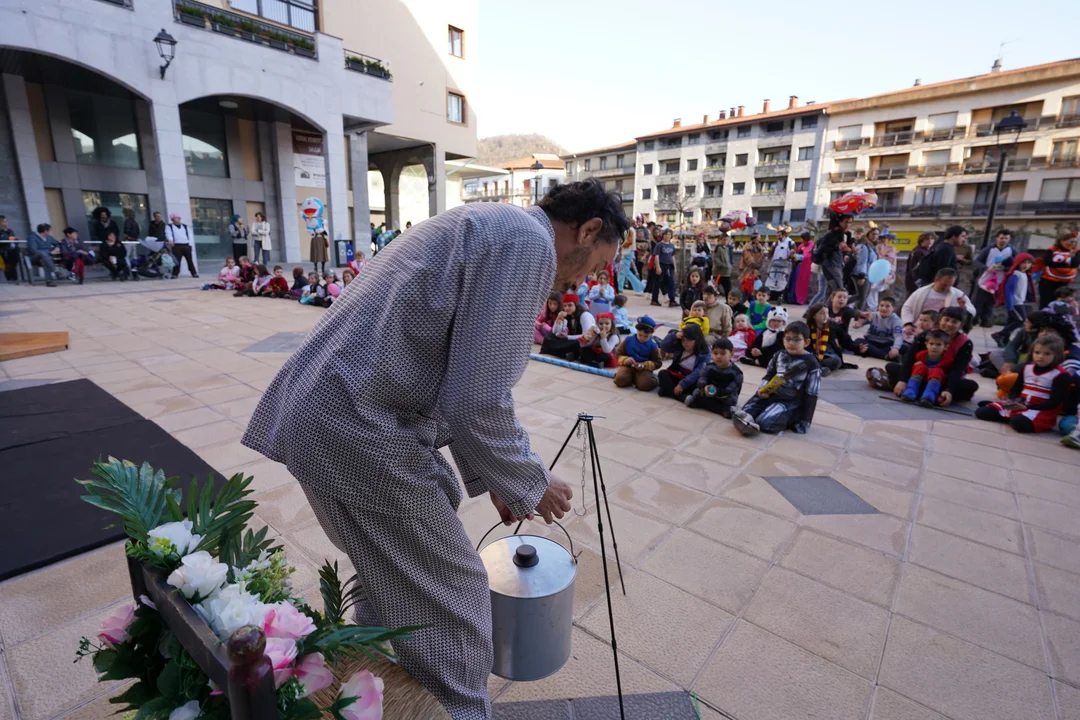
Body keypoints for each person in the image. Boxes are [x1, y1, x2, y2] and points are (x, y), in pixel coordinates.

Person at [242, 183, 626, 720]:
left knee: (392, 580)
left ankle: (378, 700)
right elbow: (478, 396)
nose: (585, 281)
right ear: (587, 231)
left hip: (324, 417)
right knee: (457, 602)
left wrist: (493, 477)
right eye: (598, 264)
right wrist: (529, 480)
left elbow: (456, 373)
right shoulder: (529, 243)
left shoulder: (490, 223)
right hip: (358, 428)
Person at [731, 321, 821, 436]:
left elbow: (812, 394)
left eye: (796, 340)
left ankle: (785, 419)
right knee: (743, 414)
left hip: (790, 402)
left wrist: (805, 421)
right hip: (770, 394)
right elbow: (769, 375)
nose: (791, 343)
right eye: (788, 339)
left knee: (765, 422)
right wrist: (762, 389)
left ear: (806, 342)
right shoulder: (778, 355)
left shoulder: (812, 363)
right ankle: (752, 420)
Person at [976, 335, 1070, 433]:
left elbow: (1054, 402)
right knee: (982, 412)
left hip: (1041, 411)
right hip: (1021, 404)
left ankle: (1013, 418)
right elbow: (1015, 390)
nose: (1041, 356)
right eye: (1037, 352)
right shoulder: (1027, 368)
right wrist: (1013, 401)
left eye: (1047, 354)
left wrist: (1027, 408)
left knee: (1019, 423)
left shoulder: (1061, 375)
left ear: (1057, 355)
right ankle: (1010, 415)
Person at [890, 307, 978, 405]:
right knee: (892, 367)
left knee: (971, 386)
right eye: (946, 320)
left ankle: (928, 393)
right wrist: (902, 380)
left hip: (942, 378)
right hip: (919, 374)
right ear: (940, 320)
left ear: (961, 325)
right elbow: (909, 358)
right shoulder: (926, 335)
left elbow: (957, 370)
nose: (949, 324)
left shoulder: (965, 343)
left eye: (954, 322)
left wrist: (949, 390)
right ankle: (926, 393)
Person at [971, 229, 1018, 327]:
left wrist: (1005, 268)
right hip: (985, 279)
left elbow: (1016, 265)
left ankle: (986, 320)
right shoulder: (989, 249)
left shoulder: (1012, 251)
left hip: (1000, 281)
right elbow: (977, 261)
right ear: (997, 238)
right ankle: (974, 319)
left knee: (991, 302)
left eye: (1006, 238)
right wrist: (986, 268)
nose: (1003, 240)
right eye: (1001, 238)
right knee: (979, 301)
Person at [685, 337, 743, 416]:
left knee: (730, 400)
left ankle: (725, 410)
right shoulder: (708, 366)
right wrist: (704, 386)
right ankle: (700, 403)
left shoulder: (736, 373)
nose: (718, 356)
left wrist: (717, 391)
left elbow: (731, 389)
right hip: (708, 392)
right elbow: (702, 377)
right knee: (696, 392)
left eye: (723, 353)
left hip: (723, 396)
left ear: (731, 354)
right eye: (715, 353)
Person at [899, 330, 954, 406]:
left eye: (938, 345)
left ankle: (929, 396)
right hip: (921, 377)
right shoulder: (920, 355)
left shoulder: (947, 360)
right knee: (920, 367)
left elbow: (947, 373)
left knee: (937, 370)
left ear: (945, 347)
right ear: (926, 344)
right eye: (931, 344)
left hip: (936, 380)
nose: (934, 347)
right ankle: (910, 391)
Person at [900, 268, 972, 326]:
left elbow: (972, 311)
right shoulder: (920, 292)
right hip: (921, 327)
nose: (947, 287)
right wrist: (908, 323)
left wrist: (963, 307)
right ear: (936, 280)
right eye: (944, 285)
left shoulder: (958, 294)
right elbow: (907, 308)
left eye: (950, 285)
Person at [657, 324, 710, 400]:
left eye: (688, 340)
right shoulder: (679, 346)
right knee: (662, 374)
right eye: (683, 339)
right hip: (677, 374)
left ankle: (669, 391)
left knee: (698, 387)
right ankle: (682, 397)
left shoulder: (704, 353)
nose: (685, 343)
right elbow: (663, 346)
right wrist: (674, 336)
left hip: (691, 379)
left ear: (697, 340)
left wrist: (683, 384)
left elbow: (698, 372)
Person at [991, 253, 1035, 346]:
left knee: (1011, 321)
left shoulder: (1024, 274)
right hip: (1015, 303)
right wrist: (1010, 304)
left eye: (1028, 263)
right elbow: (1009, 289)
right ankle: (999, 334)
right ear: (1018, 263)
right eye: (1024, 262)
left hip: (1019, 302)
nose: (1026, 265)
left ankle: (1004, 340)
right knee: (1021, 321)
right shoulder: (1016, 274)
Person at [812, 213, 852, 305]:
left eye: (850, 222)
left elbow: (847, 248)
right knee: (839, 290)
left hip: (837, 264)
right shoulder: (832, 234)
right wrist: (837, 248)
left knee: (830, 292)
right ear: (840, 222)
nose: (847, 225)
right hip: (830, 265)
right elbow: (822, 249)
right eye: (846, 222)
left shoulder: (844, 234)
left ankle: (823, 309)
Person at [540, 293, 596, 359]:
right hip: (572, 339)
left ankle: (561, 352)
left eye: (570, 305)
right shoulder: (568, 315)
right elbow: (554, 332)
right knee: (549, 336)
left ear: (576, 305)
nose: (567, 308)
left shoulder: (585, 315)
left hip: (584, 342)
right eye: (565, 306)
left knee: (576, 343)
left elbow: (587, 337)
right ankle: (566, 353)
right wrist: (558, 318)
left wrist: (568, 337)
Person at [614, 315, 663, 391]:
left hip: (644, 369)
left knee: (646, 384)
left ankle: (649, 378)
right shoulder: (628, 340)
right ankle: (633, 378)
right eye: (640, 335)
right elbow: (618, 353)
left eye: (646, 336)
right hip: (628, 366)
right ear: (636, 331)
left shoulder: (653, 345)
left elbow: (658, 362)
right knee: (619, 380)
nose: (642, 338)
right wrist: (625, 359)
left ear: (651, 334)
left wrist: (644, 365)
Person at [1037, 231, 1079, 307]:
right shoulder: (1052, 250)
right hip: (1048, 280)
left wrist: (1072, 257)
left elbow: (1075, 264)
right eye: (1071, 241)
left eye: (1075, 242)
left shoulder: (1076, 251)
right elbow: (1048, 262)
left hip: (1064, 282)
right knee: (1046, 303)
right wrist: (1066, 264)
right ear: (1062, 241)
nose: (1073, 244)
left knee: (1061, 304)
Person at [805, 303, 843, 375]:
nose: (825, 316)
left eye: (827, 313)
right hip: (812, 354)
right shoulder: (808, 328)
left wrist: (857, 347)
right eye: (822, 313)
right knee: (807, 359)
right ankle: (820, 368)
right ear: (813, 315)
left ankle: (816, 367)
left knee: (837, 361)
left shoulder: (831, 326)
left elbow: (845, 338)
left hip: (827, 354)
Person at [853, 226, 879, 311]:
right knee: (861, 297)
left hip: (869, 274)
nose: (875, 236)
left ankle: (855, 312)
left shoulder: (872, 247)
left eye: (877, 234)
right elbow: (862, 262)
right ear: (868, 234)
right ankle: (856, 313)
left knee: (863, 297)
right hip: (862, 274)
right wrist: (862, 276)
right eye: (873, 234)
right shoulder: (864, 246)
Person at [765, 227, 795, 301]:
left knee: (783, 279)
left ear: (784, 235)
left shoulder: (790, 242)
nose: (777, 236)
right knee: (772, 278)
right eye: (777, 235)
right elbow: (771, 251)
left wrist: (788, 256)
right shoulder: (775, 243)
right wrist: (767, 257)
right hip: (775, 264)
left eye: (779, 235)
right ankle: (771, 294)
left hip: (785, 264)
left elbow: (793, 252)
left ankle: (781, 295)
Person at [650, 229, 677, 307]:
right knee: (657, 283)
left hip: (669, 266)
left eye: (668, 235)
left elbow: (673, 256)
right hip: (661, 264)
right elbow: (656, 256)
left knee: (671, 283)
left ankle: (672, 300)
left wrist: (675, 267)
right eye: (665, 234)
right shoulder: (659, 245)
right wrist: (658, 267)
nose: (667, 236)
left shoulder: (671, 246)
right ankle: (654, 300)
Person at [1, 216, 19, 282]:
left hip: (13, 251)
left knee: (13, 265)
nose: (6, 223)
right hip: (4, 251)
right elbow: (3, 239)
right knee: (8, 265)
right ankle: (9, 279)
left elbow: (15, 239)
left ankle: (15, 279)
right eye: (4, 221)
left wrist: (15, 239)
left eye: (6, 221)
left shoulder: (10, 231)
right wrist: (11, 238)